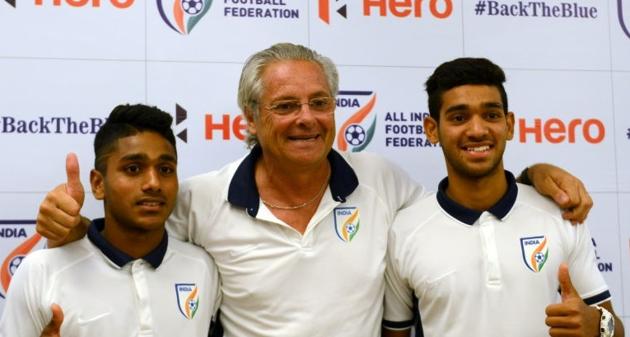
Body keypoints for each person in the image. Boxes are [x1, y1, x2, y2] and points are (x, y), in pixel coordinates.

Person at [35, 44, 593, 337]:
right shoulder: (197, 199)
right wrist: (74, 226)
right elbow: (130, 244)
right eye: (285, 106)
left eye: (319, 102)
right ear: (248, 120)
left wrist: (533, 175)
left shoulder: (383, 183)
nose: (306, 118)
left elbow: (463, 209)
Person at [382, 58, 623, 337]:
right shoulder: (404, 231)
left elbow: (615, 327)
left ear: (509, 124)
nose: (477, 130)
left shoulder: (560, 215)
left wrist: (599, 326)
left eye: (491, 115)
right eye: (459, 117)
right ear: (432, 129)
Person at [0, 104, 220, 337]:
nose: (153, 182)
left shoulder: (202, 267)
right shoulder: (41, 272)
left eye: (165, 169)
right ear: (98, 184)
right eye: (134, 168)